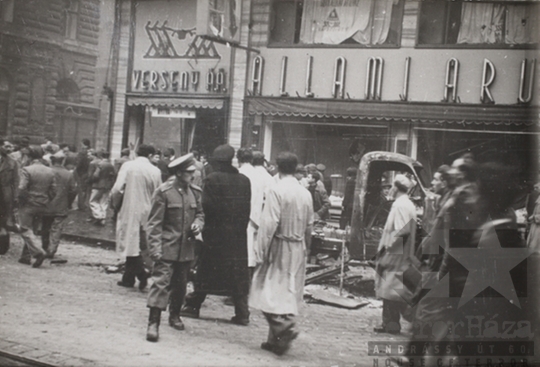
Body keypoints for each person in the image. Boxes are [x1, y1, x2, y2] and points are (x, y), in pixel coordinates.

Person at [249, 151, 314, 356]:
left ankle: (283, 328)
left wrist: (261, 250)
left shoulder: (277, 190)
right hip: (298, 245)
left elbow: (269, 224)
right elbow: (309, 225)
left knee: (265, 290)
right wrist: (307, 248)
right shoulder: (305, 192)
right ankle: (275, 341)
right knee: (286, 293)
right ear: (295, 168)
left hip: (279, 244)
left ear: (277, 167)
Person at [181, 144, 251, 325]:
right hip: (237, 236)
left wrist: (204, 229)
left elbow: (207, 208)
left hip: (216, 234)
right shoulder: (244, 180)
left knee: (207, 270)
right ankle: (242, 312)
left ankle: (193, 305)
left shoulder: (212, 179)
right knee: (236, 274)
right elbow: (246, 210)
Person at [145, 153, 204, 342]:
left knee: (180, 286)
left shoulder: (195, 192)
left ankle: (175, 315)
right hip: (166, 247)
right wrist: (155, 249)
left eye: (193, 172)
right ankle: (153, 323)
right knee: (160, 284)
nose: (192, 175)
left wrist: (198, 223)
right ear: (178, 173)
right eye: (188, 172)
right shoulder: (164, 192)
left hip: (186, 249)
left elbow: (201, 214)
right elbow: (154, 224)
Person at [111, 144, 162, 289]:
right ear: (150, 156)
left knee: (130, 242)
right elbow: (159, 193)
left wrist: (115, 204)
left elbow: (117, 189)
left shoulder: (128, 166)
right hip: (148, 209)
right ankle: (128, 278)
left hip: (130, 207)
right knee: (139, 244)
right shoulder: (156, 171)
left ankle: (140, 273)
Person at [373, 174, 417, 335]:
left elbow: (401, 231)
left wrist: (387, 251)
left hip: (396, 251)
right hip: (403, 252)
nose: (390, 189)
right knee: (394, 288)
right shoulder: (408, 204)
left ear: (396, 188)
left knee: (390, 289)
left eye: (392, 186)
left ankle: (392, 324)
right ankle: (391, 323)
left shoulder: (399, 205)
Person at [17, 146, 57, 268]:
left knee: (24, 228)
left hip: (29, 203)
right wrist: (46, 199)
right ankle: (26, 256)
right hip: (42, 204)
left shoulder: (27, 169)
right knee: (32, 230)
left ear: (30, 157)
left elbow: (22, 188)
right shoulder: (50, 171)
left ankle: (38, 252)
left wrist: (22, 201)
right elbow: (54, 190)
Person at [41, 150, 76, 262]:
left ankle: (44, 247)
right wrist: (69, 203)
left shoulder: (47, 172)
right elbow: (73, 191)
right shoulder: (69, 174)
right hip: (61, 205)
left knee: (45, 227)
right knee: (56, 228)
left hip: (47, 205)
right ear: (63, 161)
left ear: (52, 160)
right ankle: (52, 250)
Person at [237, 147, 266, 272]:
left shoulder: (238, 174)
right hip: (256, 215)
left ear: (238, 159)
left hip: (241, 215)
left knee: (241, 249)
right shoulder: (259, 175)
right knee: (251, 250)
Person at [88, 151, 115, 226]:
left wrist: (92, 181)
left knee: (93, 201)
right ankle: (103, 217)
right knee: (104, 202)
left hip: (98, 185)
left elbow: (96, 175)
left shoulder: (100, 165)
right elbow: (113, 176)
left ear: (101, 156)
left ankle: (98, 216)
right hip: (107, 185)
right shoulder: (111, 165)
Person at [422, 165, 452, 234]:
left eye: (435, 180)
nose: (432, 182)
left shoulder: (446, 203)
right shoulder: (442, 199)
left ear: (443, 184)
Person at [0, 138, 19, 239]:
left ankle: (2, 243)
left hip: (5, 194)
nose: (7, 149)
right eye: (4, 146)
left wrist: (15, 196)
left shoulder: (12, 162)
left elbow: (16, 181)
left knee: (4, 217)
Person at [74, 139, 91, 210]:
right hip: (88, 172)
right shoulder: (91, 152)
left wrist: (76, 170)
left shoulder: (82, 153)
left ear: (84, 144)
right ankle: (85, 204)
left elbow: (79, 164)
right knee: (86, 189)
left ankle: (81, 205)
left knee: (81, 189)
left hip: (82, 173)